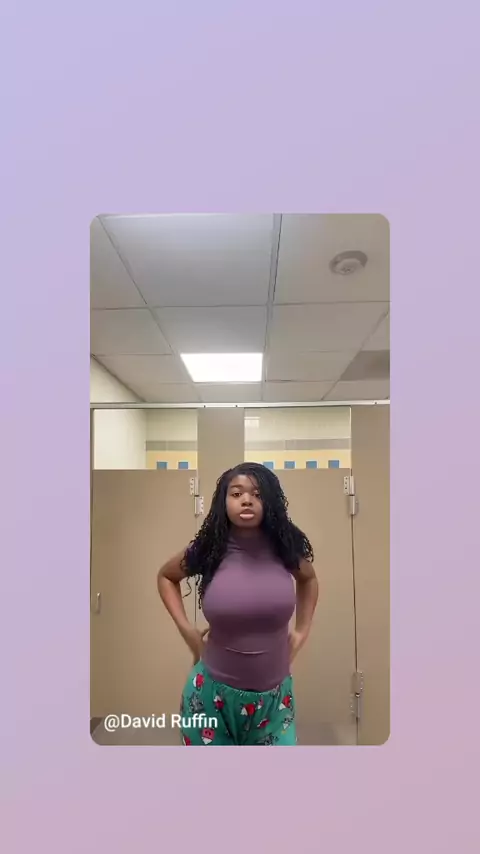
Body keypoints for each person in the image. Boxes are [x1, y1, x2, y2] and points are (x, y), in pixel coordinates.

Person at [157, 461, 319, 746]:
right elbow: (166, 577)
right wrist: (188, 633)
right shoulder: (208, 549)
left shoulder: (284, 549)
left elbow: (309, 579)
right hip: (209, 700)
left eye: (257, 494)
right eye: (236, 493)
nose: (247, 500)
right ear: (224, 501)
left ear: (270, 502)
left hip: (274, 704)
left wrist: (301, 631)